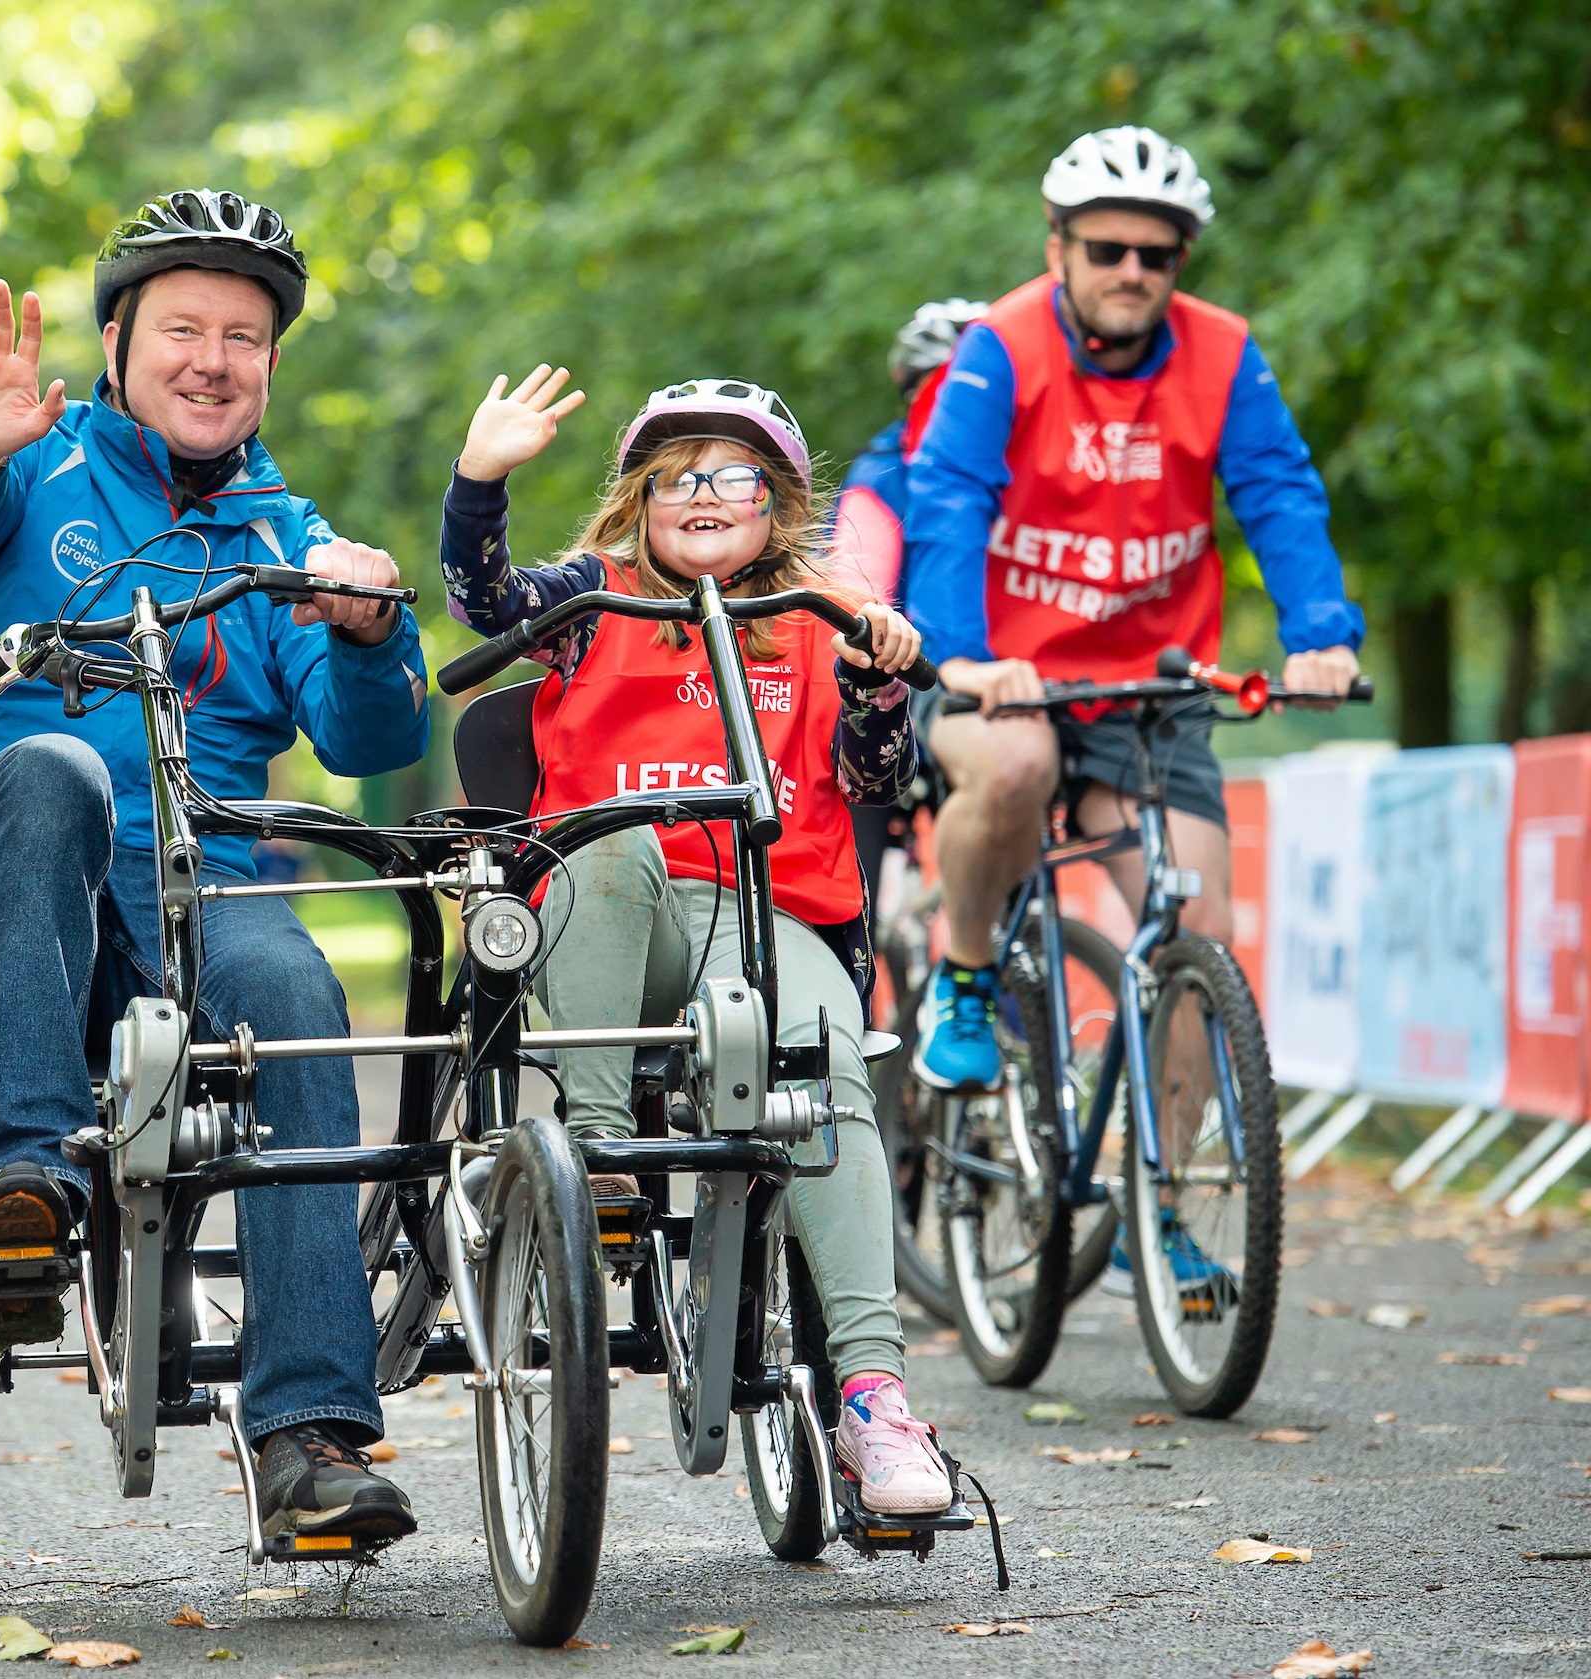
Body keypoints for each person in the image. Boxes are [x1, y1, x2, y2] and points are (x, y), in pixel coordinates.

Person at [0, 190, 431, 1545]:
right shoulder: (30, 461)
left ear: (271, 367)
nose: (213, 358)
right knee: (56, 770)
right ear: (118, 341)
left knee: (292, 979)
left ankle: (306, 1434)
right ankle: (23, 1190)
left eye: (243, 336)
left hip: (192, 914)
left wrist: (363, 631)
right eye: (182, 325)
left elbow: (371, 737)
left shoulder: (287, 536)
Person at [440, 368, 957, 1516]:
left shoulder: (822, 616)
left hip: (766, 915)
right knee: (613, 839)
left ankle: (874, 1394)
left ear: (775, 498)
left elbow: (875, 779)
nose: (704, 492)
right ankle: (599, 1153)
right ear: (637, 500)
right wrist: (482, 478)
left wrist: (878, 686)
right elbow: (484, 601)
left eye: (733, 474)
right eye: (676, 476)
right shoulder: (594, 599)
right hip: (616, 914)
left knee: (828, 1075)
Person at [902, 126, 1364, 1110]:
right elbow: (944, 498)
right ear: (1056, 248)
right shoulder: (1001, 349)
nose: (1130, 270)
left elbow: (1278, 491)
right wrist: (962, 657)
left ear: (1179, 263)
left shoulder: (1225, 352)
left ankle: (1171, 1215)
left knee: (1200, 931)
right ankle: (969, 976)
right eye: (1106, 248)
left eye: (1155, 255)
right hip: (1008, 676)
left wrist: (1320, 633)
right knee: (1017, 764)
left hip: (1145, 687)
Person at [829, 298, 987, 905]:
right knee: (853, 876)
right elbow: (854, 595)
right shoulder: (883, 479)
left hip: (998, 689)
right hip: (902, 681)